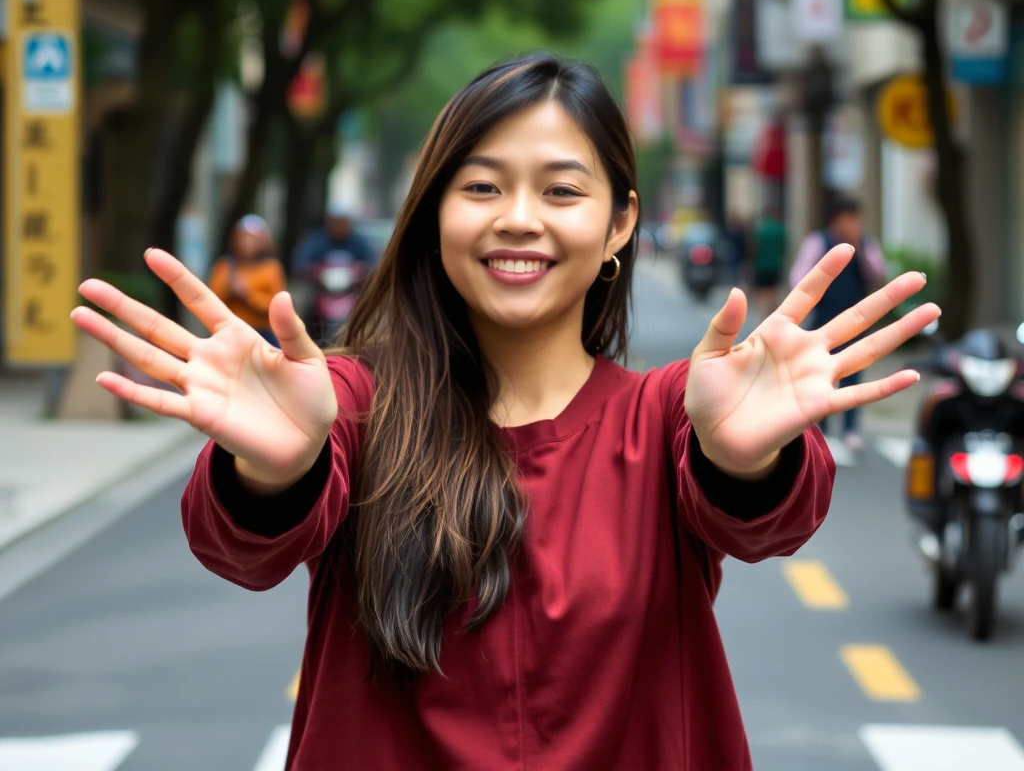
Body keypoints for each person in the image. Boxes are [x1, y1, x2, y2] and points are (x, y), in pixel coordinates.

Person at [71, 55, 936, 771]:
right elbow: (245, 546)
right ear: (435, 212)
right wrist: (270, 471)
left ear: (619, 224)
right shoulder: (351, 404)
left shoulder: (672, 413)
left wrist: (750, 460)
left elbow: (765, 521)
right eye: (481, 188)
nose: (519, 220)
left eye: (562, 192)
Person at [789, 196, 890, 452]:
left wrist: (860, 247)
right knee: (822, 372)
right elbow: (798, 277)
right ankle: (820, 426)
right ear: (835, 219)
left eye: (854, 218)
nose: (851, 223)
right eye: (846, 217)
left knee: (854, 372)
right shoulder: (818, 241)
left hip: (856, 321)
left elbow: (877, 273)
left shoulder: (865, 243)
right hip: (824, 320)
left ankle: (850, 428)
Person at [207, 214, 287, 347]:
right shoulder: (224, 267)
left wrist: (248, 295)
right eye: (243, 237)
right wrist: (229, 290)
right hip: (229, 332)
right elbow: (210, 300)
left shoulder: (271, 268)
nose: (247, 243)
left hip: (262, 333)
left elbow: (276, 306)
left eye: (253, 238)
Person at [290, 202, 378, 277]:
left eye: (342, 221)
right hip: (319, 287)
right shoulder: (316, 240)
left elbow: (371, 260)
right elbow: (301, 259)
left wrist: (362, 269)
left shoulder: (359, 241)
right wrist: (312, 269)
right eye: (335, 222)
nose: (339, 226)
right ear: (328, 222)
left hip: (353, 287)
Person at [752, 206, 788, 313]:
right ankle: (772, 312)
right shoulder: (780, 230)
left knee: (761, 292)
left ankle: (763, 315)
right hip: (776, 264)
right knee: (774, 290)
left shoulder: (760, 230)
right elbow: (784, 247)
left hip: (761, 265)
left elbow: (754, 248)